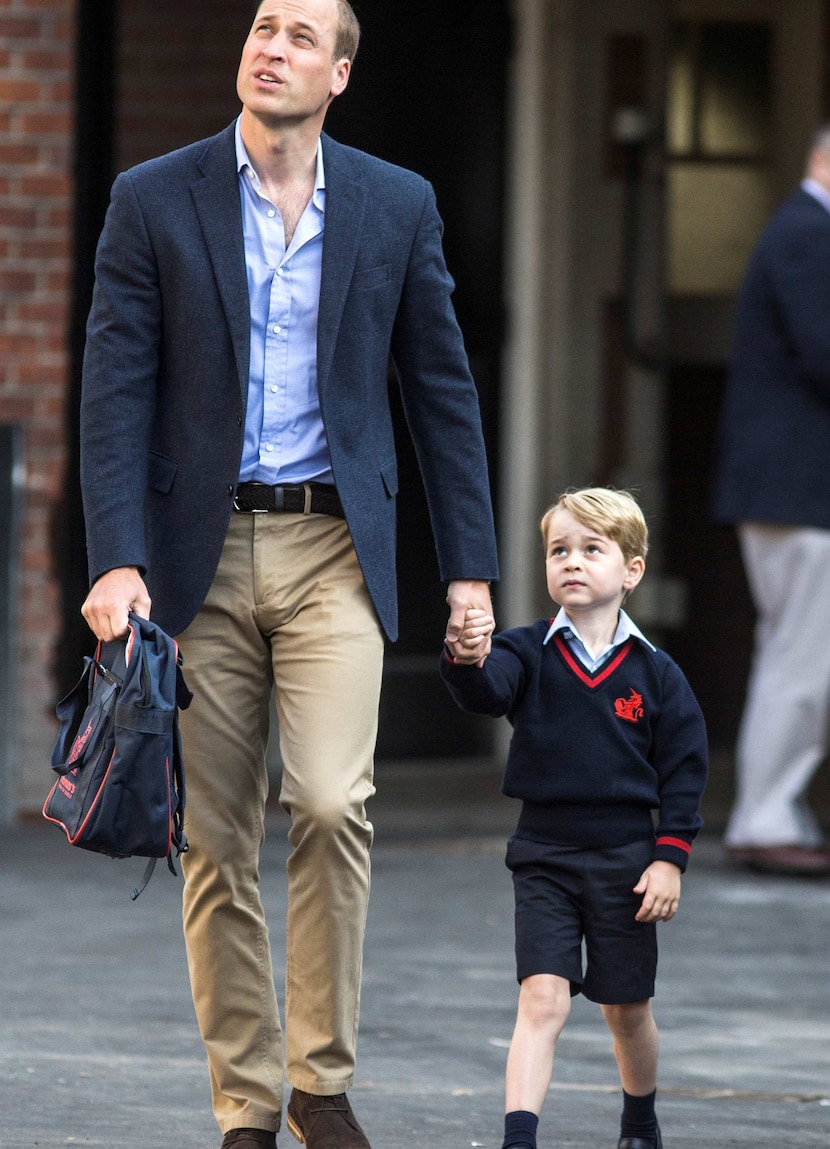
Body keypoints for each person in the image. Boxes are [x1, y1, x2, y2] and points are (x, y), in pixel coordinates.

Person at [78, 2, 498, 1146]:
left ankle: (321, 1080)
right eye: (264, 26)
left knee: (327, 800)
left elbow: (443, 395)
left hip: (333, 551)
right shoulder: (153, 198)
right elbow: (114, 389)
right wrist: (114, 557)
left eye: (302, 35)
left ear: (340, 75)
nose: (273, 46)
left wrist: (472, 570)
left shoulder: (395, 204)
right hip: (192, 558)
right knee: (215, 839)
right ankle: (248, 1105)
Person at [441, 489, 707, 1149]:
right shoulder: (527, 650)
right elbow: (486, 689)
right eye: (559, 550)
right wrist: (467, 654)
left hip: (627, 862)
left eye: (593, 549)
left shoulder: (658, 674)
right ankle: (519, 1138)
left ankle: (640, 1123)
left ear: (633, 570)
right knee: (543, 1000)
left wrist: (669, 857)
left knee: (626, 1010)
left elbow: (684, 771)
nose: (573, 562)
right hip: (544, 856)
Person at [711, 124, 830, 878]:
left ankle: (774, 809)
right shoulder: (806, 234)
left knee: (796, 651)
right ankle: (764, 816)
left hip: (790, 485)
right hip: (797, 487)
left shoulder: (801, 230)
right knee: (803, 657)